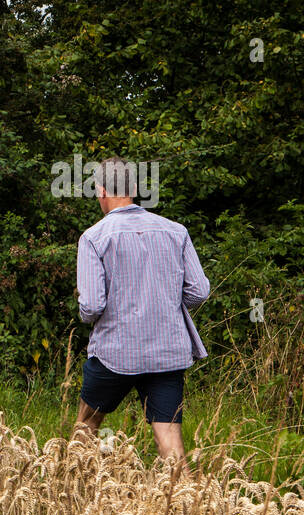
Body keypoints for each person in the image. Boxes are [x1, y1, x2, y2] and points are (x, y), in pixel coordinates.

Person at [72, 156, 210, 472]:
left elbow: (91, 306)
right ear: (134, 189)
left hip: (114, 354)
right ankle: (189, 511)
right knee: (170, 440)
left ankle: (70, 498)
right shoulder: (175, 231)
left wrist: (89, 315)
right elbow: (199, 291)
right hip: (167, 352)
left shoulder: (94, 238)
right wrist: (164, 304)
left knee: (87, 428)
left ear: (101, 191)